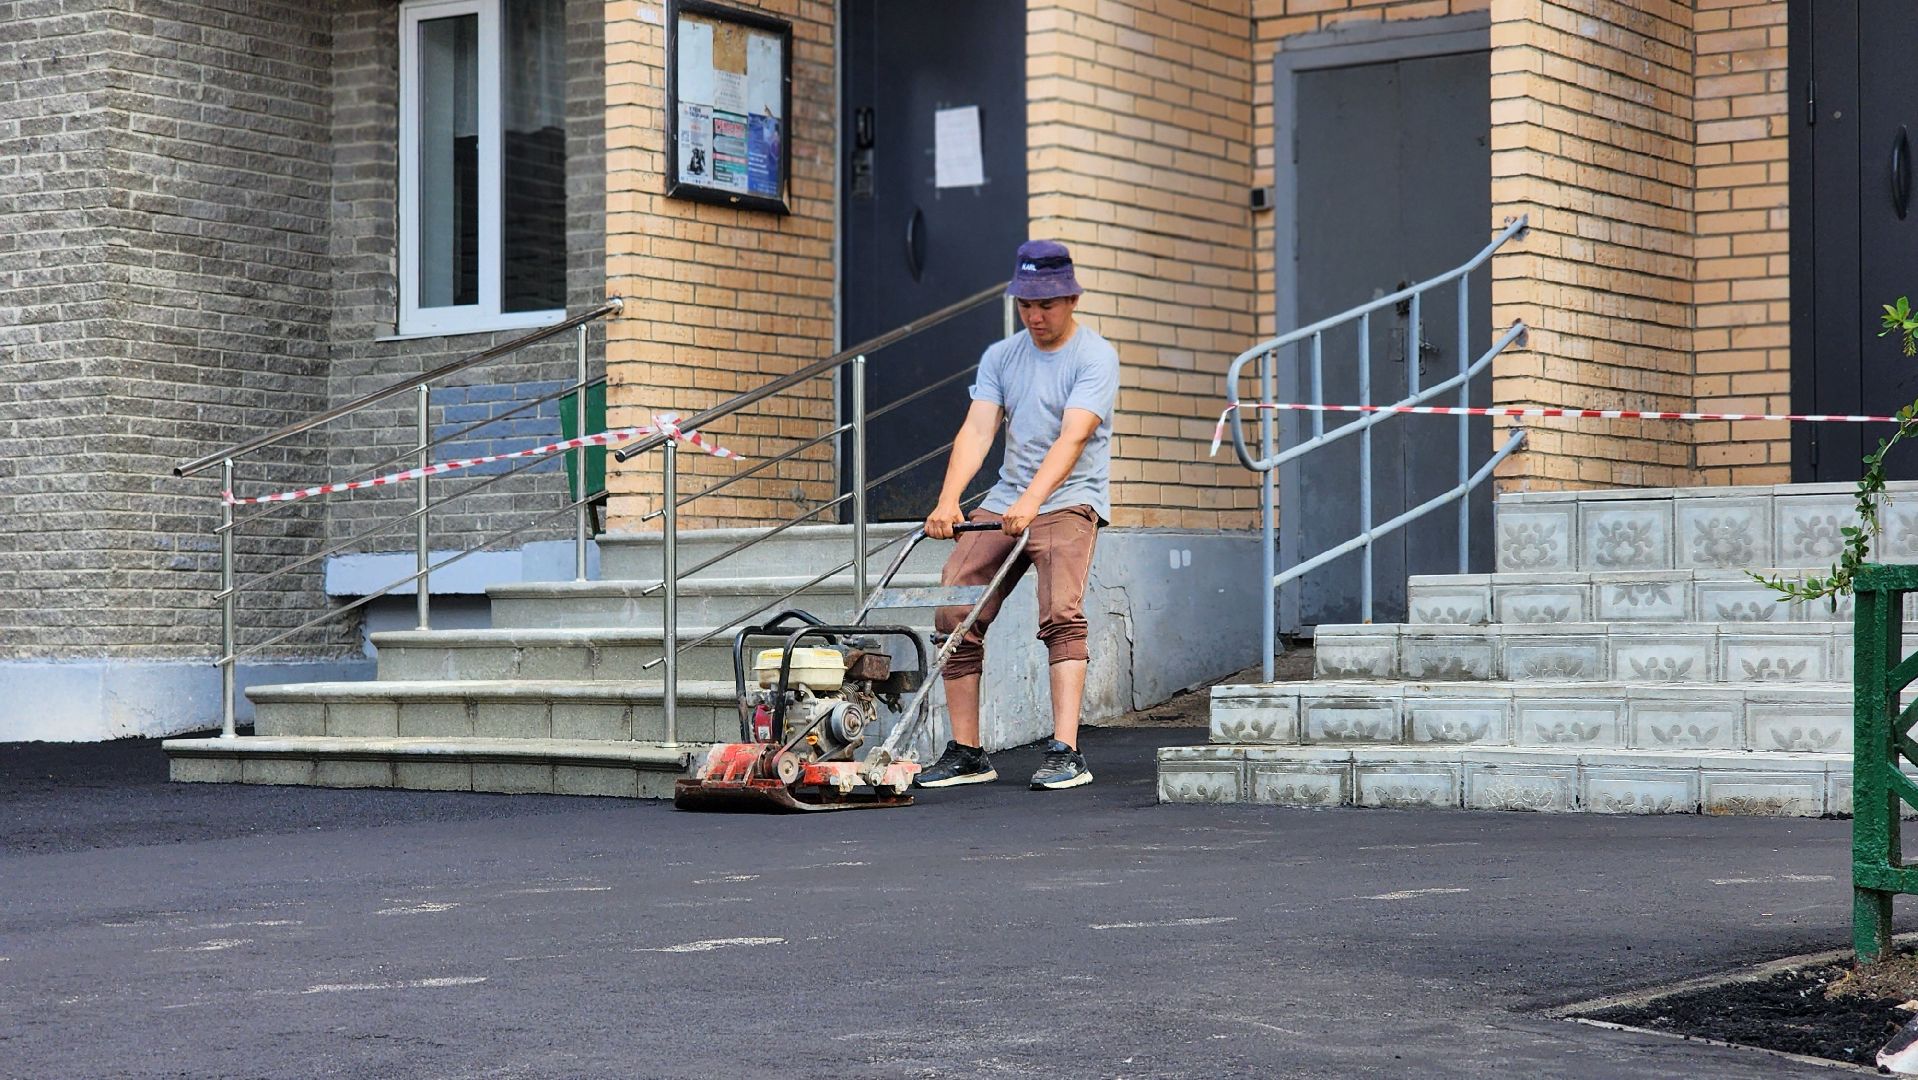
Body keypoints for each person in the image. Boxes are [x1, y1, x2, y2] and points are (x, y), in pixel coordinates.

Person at [914, 240, 1118, 791]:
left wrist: (1033, 501)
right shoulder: (1002, 356)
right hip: (1007, 499)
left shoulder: (1095, 356)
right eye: (1026, 304)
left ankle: (1066, 751)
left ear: (1072, 299)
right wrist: (948, 499)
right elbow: (979, 428)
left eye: (1046, 304)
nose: (1035, 315)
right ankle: (967, 752)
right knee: (954, 606)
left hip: (1069, 499)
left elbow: (1074, 436)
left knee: (1061, 612)